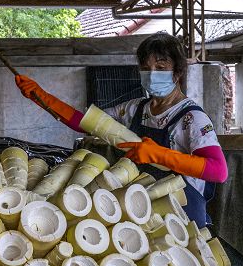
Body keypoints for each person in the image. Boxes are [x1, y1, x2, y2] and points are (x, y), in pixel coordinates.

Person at [15, 32, 228, 228]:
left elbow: (218, 171)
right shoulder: (134, 108)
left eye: (161, 68)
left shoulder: (192, 118)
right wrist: (42, 97)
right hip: (140, 200)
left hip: (182, 207)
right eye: (146, 68)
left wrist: (160, 154)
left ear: (177, 73)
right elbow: (85, 122)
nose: (152, 74)